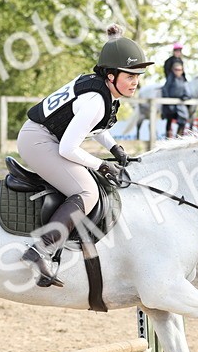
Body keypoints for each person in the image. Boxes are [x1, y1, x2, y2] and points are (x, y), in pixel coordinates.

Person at [17, 23, 150, 287]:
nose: (135, 82)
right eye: (130, 76)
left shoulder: (102, 91)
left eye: (137, 76)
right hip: (38, 141)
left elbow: (96, 129)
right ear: (111, 76)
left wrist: (114, 148)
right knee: (87, 190)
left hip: (45, 137)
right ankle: (40, 250)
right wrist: (102, 165)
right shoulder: (95, 101)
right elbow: (68, 148)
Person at [161, 57, 190, 139]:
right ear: (173, 70)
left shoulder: (183, 79)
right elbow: (165, 89)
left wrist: (185, 96)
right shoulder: (171, 78)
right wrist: (168, 101)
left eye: (180, 70)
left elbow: (187, 92)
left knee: (183, 118)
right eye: (176, 69)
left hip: (180, 104)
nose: (178, 71)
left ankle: (179, 137)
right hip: (170, 104)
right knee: (169, 119)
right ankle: (168, 137)